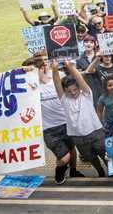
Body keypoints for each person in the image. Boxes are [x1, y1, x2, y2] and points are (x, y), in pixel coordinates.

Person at [29, 53, 83, 184]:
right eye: (41, 65)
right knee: (64, 158)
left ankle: (73, 170)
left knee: (71, 149)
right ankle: (59, 171)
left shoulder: (59, 76)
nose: (44, 67)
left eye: (46, 63)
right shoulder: (31, 84)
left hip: (67, 123)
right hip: (49, 129)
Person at [51, 60, 107, 177]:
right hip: (78, 137)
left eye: (75, 89)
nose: (73, 93)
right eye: (69, 91)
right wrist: (55, 70)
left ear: (79, 88)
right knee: (90, 157)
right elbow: (57, 84)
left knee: (104, 154)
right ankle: (100, 171)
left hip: (96, 132)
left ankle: (112, 172)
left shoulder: (87, 94)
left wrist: (70, 67)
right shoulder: (64, 100)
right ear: (65, 92)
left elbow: (80, 79)